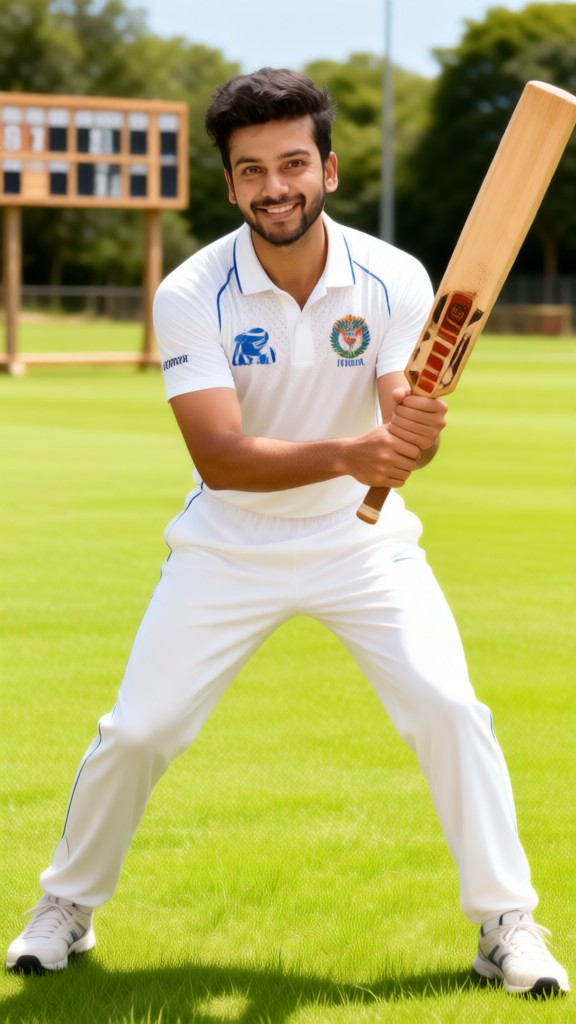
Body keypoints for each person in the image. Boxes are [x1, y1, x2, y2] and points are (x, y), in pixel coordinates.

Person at [6, 67, 569, 997]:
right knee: (138, 730)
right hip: (229, 543)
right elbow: (221, 456)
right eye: (253, 170)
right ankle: (66, 904)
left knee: (449, 709)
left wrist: (413, 437)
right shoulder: (192, 292)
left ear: (329, 170)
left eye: (294, 164)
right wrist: (356, 450)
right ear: (230, 185)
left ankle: (505, 923)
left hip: (363, 548)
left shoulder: (393, 277)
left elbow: (402, 423)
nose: (276, 187)